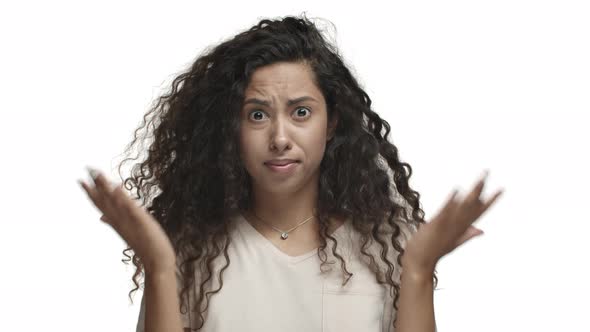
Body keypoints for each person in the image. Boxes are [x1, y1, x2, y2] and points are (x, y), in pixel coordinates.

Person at [79, 14, 503, 332]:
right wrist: (158, 267)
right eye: (257, 114)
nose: (280, 137)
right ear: (232, 127)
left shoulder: (388, 246)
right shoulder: (193, 253)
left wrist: (417, 270)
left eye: (301, 112)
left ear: (331, 122)